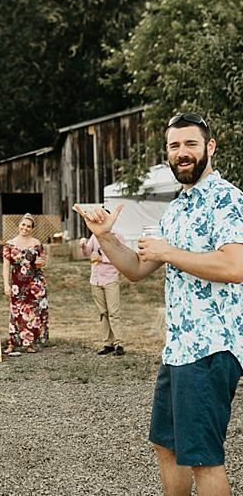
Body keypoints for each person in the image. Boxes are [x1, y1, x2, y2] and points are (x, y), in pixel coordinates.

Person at [74, 113, 243, 496]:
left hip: (212, 347)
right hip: (179, 349)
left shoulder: (228, 200)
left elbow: (235, 267)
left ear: (210, 148)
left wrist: (171, 251)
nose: (182, 153)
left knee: (203, 458)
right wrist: (106, 236)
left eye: (190, 144)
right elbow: (135, 269)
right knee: (166, 445)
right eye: (174, 146)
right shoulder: (176, 209)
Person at [1, 213, 49, 354]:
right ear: (19, 226)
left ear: (32, 228)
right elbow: (5, 266)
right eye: (23, 225)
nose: (25, 228)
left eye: (28, 226)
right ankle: (12, 343)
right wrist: (6, 284)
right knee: (16, 311)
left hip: (35, 282)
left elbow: (42, 263)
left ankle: (30, 344)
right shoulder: (10, 244)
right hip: (17, 283)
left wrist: (41, 263)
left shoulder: (37, 244)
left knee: (34, 311)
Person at [79, 231, 125, 356]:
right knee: (103, 313)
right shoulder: (94, 236)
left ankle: (119, 344)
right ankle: (108, 344)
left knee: (113, 313)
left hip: (110, 279)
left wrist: (102, 258)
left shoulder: (117, 237)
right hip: (96, 280)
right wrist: (83, 246)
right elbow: (87, 253)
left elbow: (121, 258)